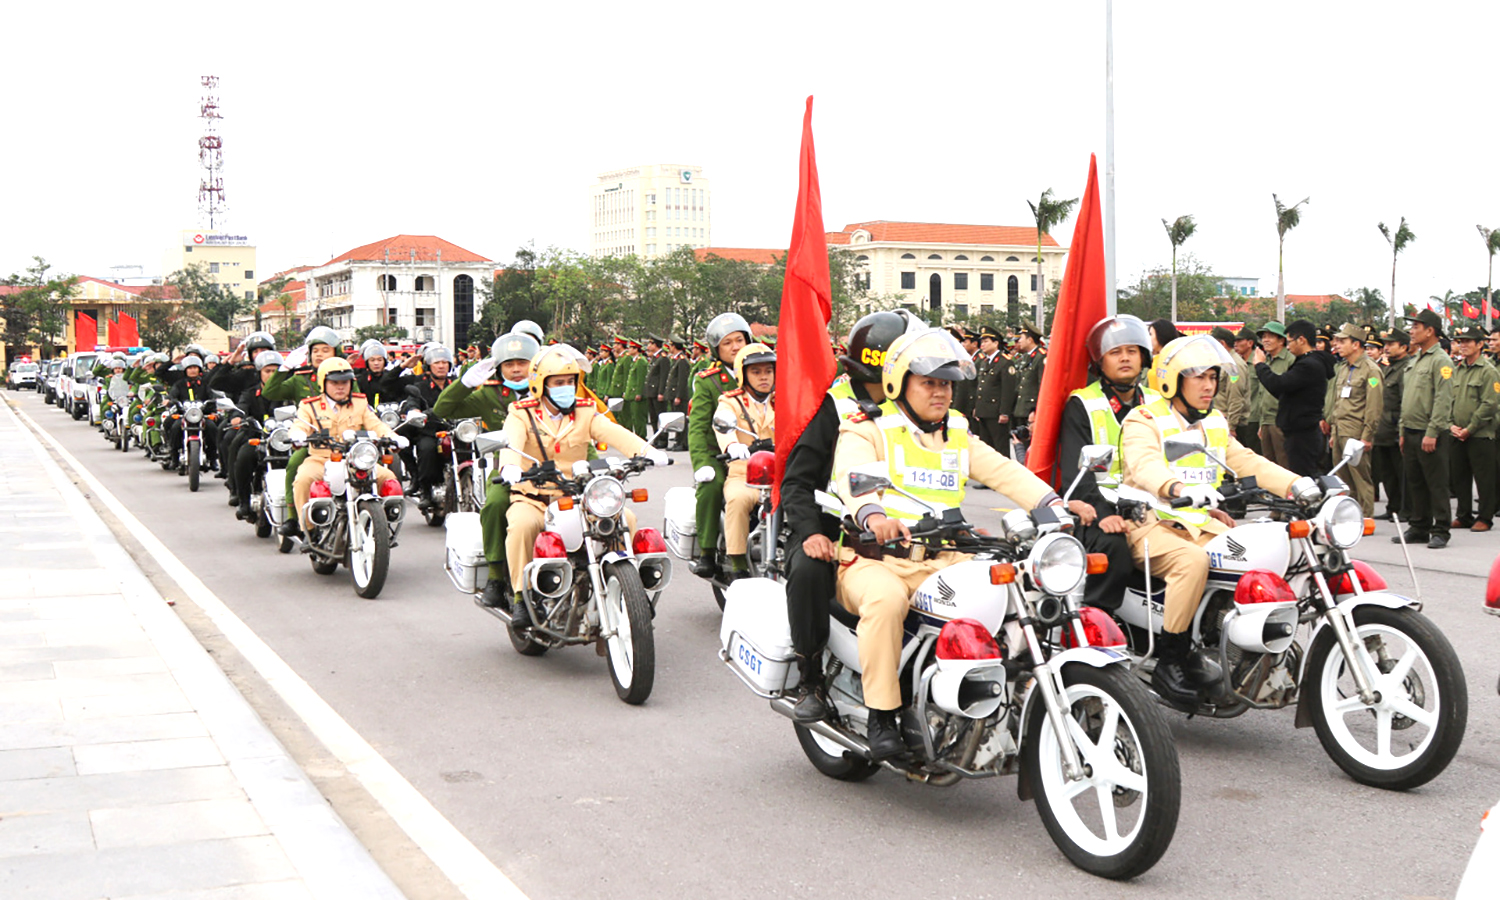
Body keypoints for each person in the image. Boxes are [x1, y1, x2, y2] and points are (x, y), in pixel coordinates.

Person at [833, 328, 1080, 759]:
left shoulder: (957, 432)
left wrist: (1052, 504)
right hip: (876, 559)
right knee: (886, 602)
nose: (941, 392)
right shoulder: (868, 427)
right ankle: (881, 714)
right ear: (898, 384)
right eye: (929, 382)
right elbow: (852, 479)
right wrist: (874, 516)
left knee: (1013, 590)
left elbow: (1005, 472)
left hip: (945, 555)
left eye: (946, 383)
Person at [1121, 335, 1304, 705]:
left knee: (1261, 553)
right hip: (1149, 524)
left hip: (1199, 523)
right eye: (1199, 377)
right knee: (1192, 563)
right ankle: (1170, 659)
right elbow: (1143, 465)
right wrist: (1172, 487)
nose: (1209, 385)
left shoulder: (1214, 422)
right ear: (1172, 380)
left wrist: (1299, 485)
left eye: (1213, 377)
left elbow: (1248, 461)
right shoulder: (1144, 419)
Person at [780, 311, 910, 722]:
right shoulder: (832, 405)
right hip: (834, 530)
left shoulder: (915, 402)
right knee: (809, 571)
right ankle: (810, 678)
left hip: (904, 528)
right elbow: (797, 482)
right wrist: (809, 533)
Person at [496, 345, 666, 625]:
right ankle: (520, 597)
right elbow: (511, 442)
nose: (566, 388)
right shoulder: (521, 412)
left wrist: (647, 451)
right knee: (522, 526)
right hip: (533, 497)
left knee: (627, 517)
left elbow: (614, 432)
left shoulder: (585, 411)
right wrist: (511, 466)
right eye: (558, 382)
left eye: (570, 382)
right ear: (541, 384)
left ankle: (629, 589)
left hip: (576, 497)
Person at [1055, 314, 1156, 614]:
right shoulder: (1083, 404)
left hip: (1151, 506)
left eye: (1132, 351)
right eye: (1115, 352)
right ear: (1100, 362)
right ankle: (1098, 621)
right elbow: (1077, 472)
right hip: (1097, 507)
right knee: (1115, 549)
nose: (1125, 358)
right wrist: (1101, 513)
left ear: (1143, 357)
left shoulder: (1156, 403)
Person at [435, 331, 539, 605]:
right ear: (500, 367)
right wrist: (465, 383)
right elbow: (443, 408)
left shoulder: (551, 388)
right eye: (508, 364)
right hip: (509, 465)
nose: (516, 369)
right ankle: (495, 575)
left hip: (554, 465)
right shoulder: (492, 394)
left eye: (522, 362)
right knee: (494, 505)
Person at [288, 357, 405, 531]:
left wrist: (393, 437)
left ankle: (383, 527)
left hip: (355, 460)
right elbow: (301, 424)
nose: (340, 387)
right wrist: (298, 434)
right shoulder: (309, 406)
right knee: (303, 480)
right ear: (323, 383)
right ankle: (309, 530)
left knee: (387, 477)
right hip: (322, 459)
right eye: (335, 382)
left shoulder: (360, 403)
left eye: (345, 382)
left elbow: (376, 424)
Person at [688, 313, 751, 579]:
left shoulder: (765, 371)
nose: (736, 347)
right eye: (728, 343)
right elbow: (699, 428)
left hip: (758, 451)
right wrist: (703, 463)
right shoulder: (709, 380)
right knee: (712, 487)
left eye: (739, 340)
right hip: (721, 453)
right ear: (717, 349)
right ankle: (707, 550)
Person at [714, 343, 776, 581]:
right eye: (756, 372)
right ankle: (737, 563)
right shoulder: (731, 402)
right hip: (744, 474)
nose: (763, 377)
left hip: (778, 474)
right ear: (743, 374)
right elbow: (722, 423)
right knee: (738, 500)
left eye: (768, 371)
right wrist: (732, 446)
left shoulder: (782, 401)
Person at [1395, 309, 1456, 549]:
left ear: (1430, 331)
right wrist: (1402, 431)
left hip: (1429, 433)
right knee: (1415, 482)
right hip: (1410, 430)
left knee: (1436, 483)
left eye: (1416, 327)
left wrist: (1432, 432)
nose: (1411, 331)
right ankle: (1419, 526)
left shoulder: (1441, 360)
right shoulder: (1416, 360)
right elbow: (1407, 399)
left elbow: (1443, 400)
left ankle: (1440, 529)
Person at [1321, 323, 1384, 516]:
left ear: (1356, 344)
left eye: (1342, 341)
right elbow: (1339, 402)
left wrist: (1367, 436)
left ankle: (1366, 516)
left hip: (1356, 431)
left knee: (1360, 476)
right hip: (1340, 429)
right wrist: (1333, 431)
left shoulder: (1370, 370)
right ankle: (1350, 514)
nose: (1336, 345)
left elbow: (1374, 407)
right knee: (1343, 477)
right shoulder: (1343, 368)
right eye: (1336, 341)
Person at [1253, 319, 1329, 477]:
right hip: (1294, 427)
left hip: (1303, 431)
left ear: (1301, 340)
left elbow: (1278, 385)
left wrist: (1260, 366)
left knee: (1298, 476)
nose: (1288, 346)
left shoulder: (1308, 365)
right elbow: (1282, 392)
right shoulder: (1306, 362)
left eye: (1290, 341)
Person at [231, 351, 296, 522]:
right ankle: (244, 501)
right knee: (244, 456)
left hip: (286, 439)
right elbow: (240, 407)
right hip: (258, 437)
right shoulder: (250, 393)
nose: (271, 375)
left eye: (276, 371)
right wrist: (237, 417)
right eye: (267, 371)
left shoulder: (288, 392)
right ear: (259, 372)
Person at [1447, 325, 1500, 533]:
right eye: (1461, 341)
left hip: (1480, 433)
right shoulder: (1457, 369)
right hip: (1457, 432)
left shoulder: (1488, 371)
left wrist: (1470, 428)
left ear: (1480, 344)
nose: (1463, 345)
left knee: (1484, 477)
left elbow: (1490, 404)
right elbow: (1451, 399)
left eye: (1468, 341)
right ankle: (1464, 515)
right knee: (1459, 476)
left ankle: (1485, 517)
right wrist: (1451, 424)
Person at [409, 343, 458, 506]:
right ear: (428, 366)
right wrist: (414, 411)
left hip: (456, 429)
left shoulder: (456, 384)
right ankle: (426, 490)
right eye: (437, 362)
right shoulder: (420, 386)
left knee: (472, 447)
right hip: (431, 430)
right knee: (426, 449)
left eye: (445, 362)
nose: (441, 366)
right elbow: (412, 401)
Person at [1374, 329, 1411, 520]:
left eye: (1391, 344)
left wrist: (1402, 429)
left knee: (1401, 472)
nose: (1386, 348)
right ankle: (1393, 507)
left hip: (1396, 426)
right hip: (1383, 428)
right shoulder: (1386, 367)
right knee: (1387, 472)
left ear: (1404, 347)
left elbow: (1406, 401)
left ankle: (1406, 508)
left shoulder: (1406, 368)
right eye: (1385, 344)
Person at [165, 354, 215, 474]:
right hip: (184, 415)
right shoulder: (179, 384)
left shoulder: (205, 383)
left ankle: (213, 458)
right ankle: (174, 457)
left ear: (199, 369)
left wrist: (213, 408)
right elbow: (173, 395)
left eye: (195, 367)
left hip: (201, 415)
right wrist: (170, 401)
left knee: (213, 428)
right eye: (190, 368)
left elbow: (212, 396)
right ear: (185, 370)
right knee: (173, 426)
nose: (193, 370)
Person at [1255, 321, 1294, 466]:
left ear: (1281, 340)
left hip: (1282, 421)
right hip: (1266, 420)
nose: (1265, 340)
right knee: (1268, 464)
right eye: (1263, 336)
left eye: (1270, 336)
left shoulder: (1290, 360)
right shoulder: (1266, 361)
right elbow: (1262, 394)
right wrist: (1262, 423)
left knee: (1285, 463)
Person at [1011, 322, 1046, 458]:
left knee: (1032, 449)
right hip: (1022, 408)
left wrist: (1036, 410)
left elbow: (1042, 385)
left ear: (1030, 339)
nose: (1019, 341)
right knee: (1021, 445)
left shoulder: (1041, 357)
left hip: (1031, 411)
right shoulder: (1027, 357)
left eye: (1022, 338)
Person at [970, 327, 1005, 452]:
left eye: (986, 341)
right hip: (984, 411)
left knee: (999, 447)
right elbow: (981, 387)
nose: (982, 344)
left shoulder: (1004, 362)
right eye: (982, 342)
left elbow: (1007, 390)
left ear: (996, 343)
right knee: (986, 447)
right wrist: (977, 407)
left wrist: (1004, 412)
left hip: (996, 412)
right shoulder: (985, 361)